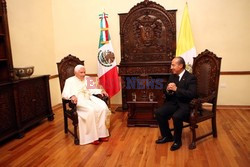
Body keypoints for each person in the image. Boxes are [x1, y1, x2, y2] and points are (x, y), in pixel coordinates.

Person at [62, 64, 111, 145]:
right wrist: (72, 96)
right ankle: (92, 137)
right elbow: (64, 93)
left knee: (103, 107)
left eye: (84, 72)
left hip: (89, 98)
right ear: (76, 73)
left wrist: (101, 91)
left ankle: (102, 134)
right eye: (81, 72)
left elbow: (93, 90)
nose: (83, 74)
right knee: (91, 110)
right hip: (79, 100)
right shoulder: (69, 81)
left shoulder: (87, 78)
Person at [155, 57, 197, 151]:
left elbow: (192, 94)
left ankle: (177, 141)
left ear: (180, 66)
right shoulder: (172, 76)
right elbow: (166, 90)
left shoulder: (191, 78)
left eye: (173, 65)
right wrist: (167, 89)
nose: (171, 67)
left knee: (177, 116)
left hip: (185, 104)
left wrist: (176, 89)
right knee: (159, 112)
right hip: (173, 102)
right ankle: (167, 136)